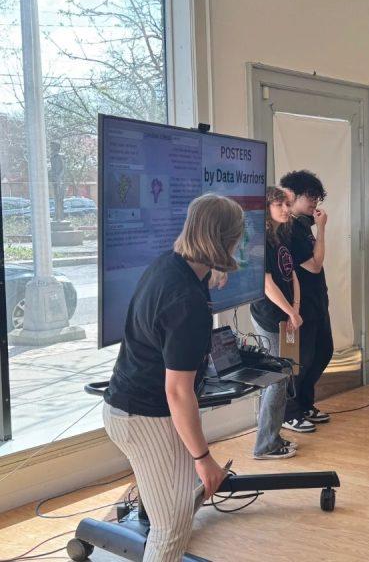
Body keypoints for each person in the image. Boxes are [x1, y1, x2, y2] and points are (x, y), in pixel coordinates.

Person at [103, 193, 244, 562]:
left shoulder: (171, 266)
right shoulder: (186, 301)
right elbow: (179, 393)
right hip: (145, 417)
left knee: (177, 508)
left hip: (132, 407)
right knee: (173, 526)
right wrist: (203, 458)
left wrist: (213, 273)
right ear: (225, 240)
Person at [250, 186, 315, 448]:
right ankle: (265, 443)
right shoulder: (258, 241)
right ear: (266, 209)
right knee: (278, 377)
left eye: (287, 205)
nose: (286, 210)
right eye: (280, 205)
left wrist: (295, 308)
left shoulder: (281, 235)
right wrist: (290, 311)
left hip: (287, 314)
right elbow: (266, 285)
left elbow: (292, 275)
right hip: (269, 316)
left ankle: (271, 436)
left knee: (281, 375)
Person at [279, 170, 333, 425]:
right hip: (301, 305)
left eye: (316, 198)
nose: (314, 203)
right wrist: (322, 229)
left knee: (324, 351)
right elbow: (315, 264)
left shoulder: (304, 225)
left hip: (317, 299)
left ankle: (305, 404)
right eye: (309, 197)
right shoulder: (290, 229)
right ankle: (291, 413)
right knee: (302, 359)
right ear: (293, 196)